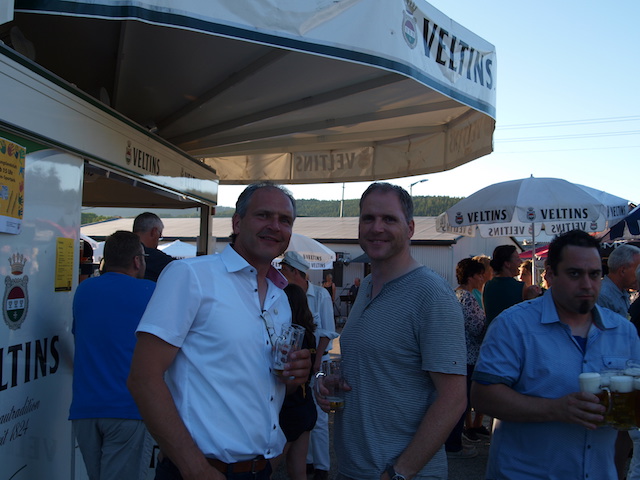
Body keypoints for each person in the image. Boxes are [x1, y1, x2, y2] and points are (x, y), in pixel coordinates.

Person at [127, 183, 312, 480]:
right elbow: (143, 378)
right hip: (199, 471)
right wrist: (195, 468)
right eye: (263, 215)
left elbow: (265, 386)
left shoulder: (280, 298)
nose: (275, 226)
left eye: (285, 220)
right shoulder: (191, 275)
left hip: (259, 469)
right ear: (237, 222)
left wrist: (293, 378)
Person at [471, 229, 640, 479]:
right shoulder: (514, 325)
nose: (587, 284)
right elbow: (482, 397)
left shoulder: (623, 331)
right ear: (550, 274)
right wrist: (556, 409)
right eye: (575, 274)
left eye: (594, 274)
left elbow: (624, 426)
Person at [327, 182, 467, 480]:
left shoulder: (432, 295)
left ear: (410, 228)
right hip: (354, 469)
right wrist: (326, 382)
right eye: (368, 218)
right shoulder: (367, 285)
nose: (376, 227)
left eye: (389, 219)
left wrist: (400, 472)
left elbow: (453, 399)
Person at [69, 230, 155, 480]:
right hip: (127, 409)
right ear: (137, 261)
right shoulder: (151, 292)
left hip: (85, 410)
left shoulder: (84, 291)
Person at [279, 251, 338, 480]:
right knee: (302, 411)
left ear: (295, 271)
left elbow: (328, 331)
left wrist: (316, 362)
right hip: (299, 363)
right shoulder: (284, 292)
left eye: (284, 270)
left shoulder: (320, 295)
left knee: (319, 417)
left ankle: (322, 466)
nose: (281, 273)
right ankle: (307, 461)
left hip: (319, 361)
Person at [596, 243, 640, 479]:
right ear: (623, 269)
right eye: (637, 267)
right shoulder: (604, 295)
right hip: (610, 374)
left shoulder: (620, 294)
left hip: (621, 372)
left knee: (623, 431)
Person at [273, 284, 318, 480]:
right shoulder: (309, 335)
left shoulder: (291, 340)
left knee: (265, 470)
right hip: (306, 405)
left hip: (289, 410)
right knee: (298, 472)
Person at [444, 258, 487, 459]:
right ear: (471, 277)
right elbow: (478, 329)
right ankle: (453, 444)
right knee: (462, 403)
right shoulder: (468, 298)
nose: (482, 278)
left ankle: (453, 441)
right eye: (480, 275)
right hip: (467, 357)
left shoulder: (454, 294)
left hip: (456, 355)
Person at [483, 245, 540, 324]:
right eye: (517, 259)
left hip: (493, 329)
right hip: (512, 330)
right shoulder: (520, 287)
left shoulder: (488, 285)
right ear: (507, 264)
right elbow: (528, 316)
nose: (520, 262)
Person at [133, 212, 175, 281]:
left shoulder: (119, 250)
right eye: (159, 236)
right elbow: (180, 267)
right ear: (154, 232)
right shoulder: (156, 258)